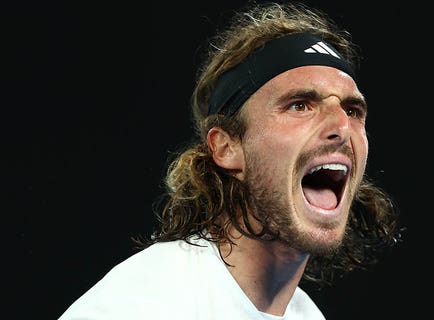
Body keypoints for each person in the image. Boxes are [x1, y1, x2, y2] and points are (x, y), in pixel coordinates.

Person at [58, 1, 402, 319]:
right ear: (226, 148)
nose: (342, 126)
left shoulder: (306, 315)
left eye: (353, 110)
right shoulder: (140, 306)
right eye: (300, 105)